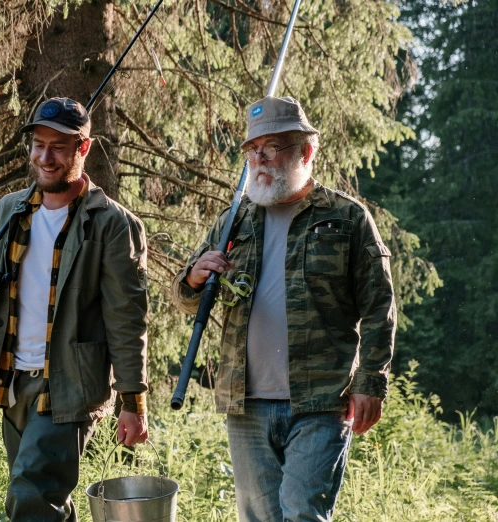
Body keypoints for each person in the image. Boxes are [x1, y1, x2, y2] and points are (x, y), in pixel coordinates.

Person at [0, 97, 150, 521]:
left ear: (84, 149)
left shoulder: (113, 224)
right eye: (38, 145)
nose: (45, 157)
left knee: (30, 496)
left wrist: (132, 402)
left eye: (59, 147)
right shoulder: (9, 212)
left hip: (70, 388)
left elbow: (126, 319)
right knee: (45, 503)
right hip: (11, 382)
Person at [171, 96, 396, 521]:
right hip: (246, 402)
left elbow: (379, 306)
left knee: (303, 513)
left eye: (271, 148)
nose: (259, 159)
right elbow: (185, 298)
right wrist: (195, 277)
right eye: (253, 150)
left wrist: (370, 382)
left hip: (320, 401)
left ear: (305, 152)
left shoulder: (347, 218)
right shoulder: (233, 221)